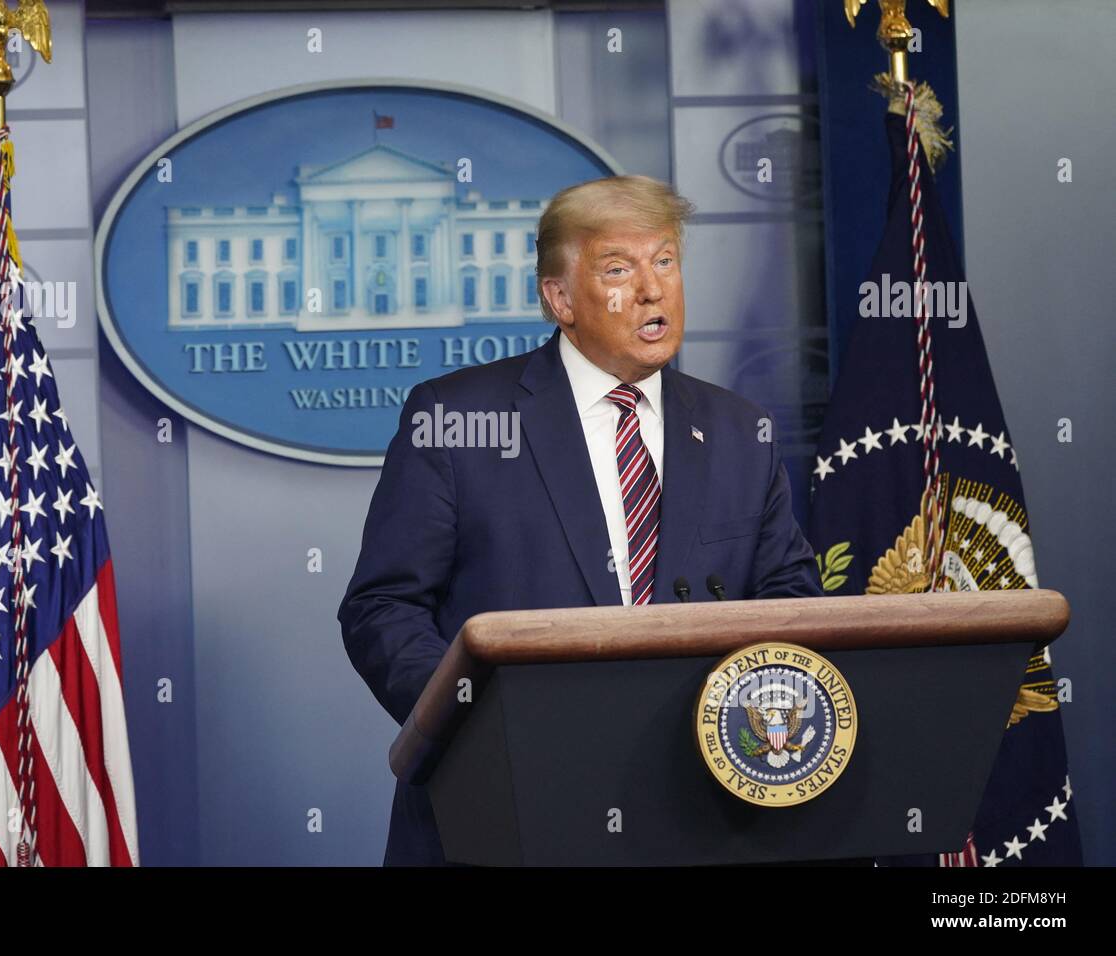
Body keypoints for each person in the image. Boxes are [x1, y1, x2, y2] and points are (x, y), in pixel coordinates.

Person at [338, 174, 823, 865]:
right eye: (619, 269)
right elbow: (383, 607)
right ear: (559, 298)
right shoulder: (457, 419)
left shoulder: (738, 429)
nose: (653, 289)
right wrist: (473, 721)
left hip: (702, 816)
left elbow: (793, 604)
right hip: (505, 813)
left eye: (665, 261)